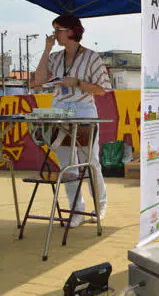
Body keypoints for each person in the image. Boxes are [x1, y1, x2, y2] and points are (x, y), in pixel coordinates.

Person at [34, 14, 112, 227]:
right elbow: (38, 82)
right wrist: (46, 49)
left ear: (70, 31)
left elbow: (103, 89)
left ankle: (100, 204)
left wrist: (77, 82)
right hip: (60, 110)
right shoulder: (55, 57)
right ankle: (76, 210)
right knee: (67, 164)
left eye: (58, 30)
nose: (54, 34)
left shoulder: (91, 57)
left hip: (84, 110)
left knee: (90, 160)